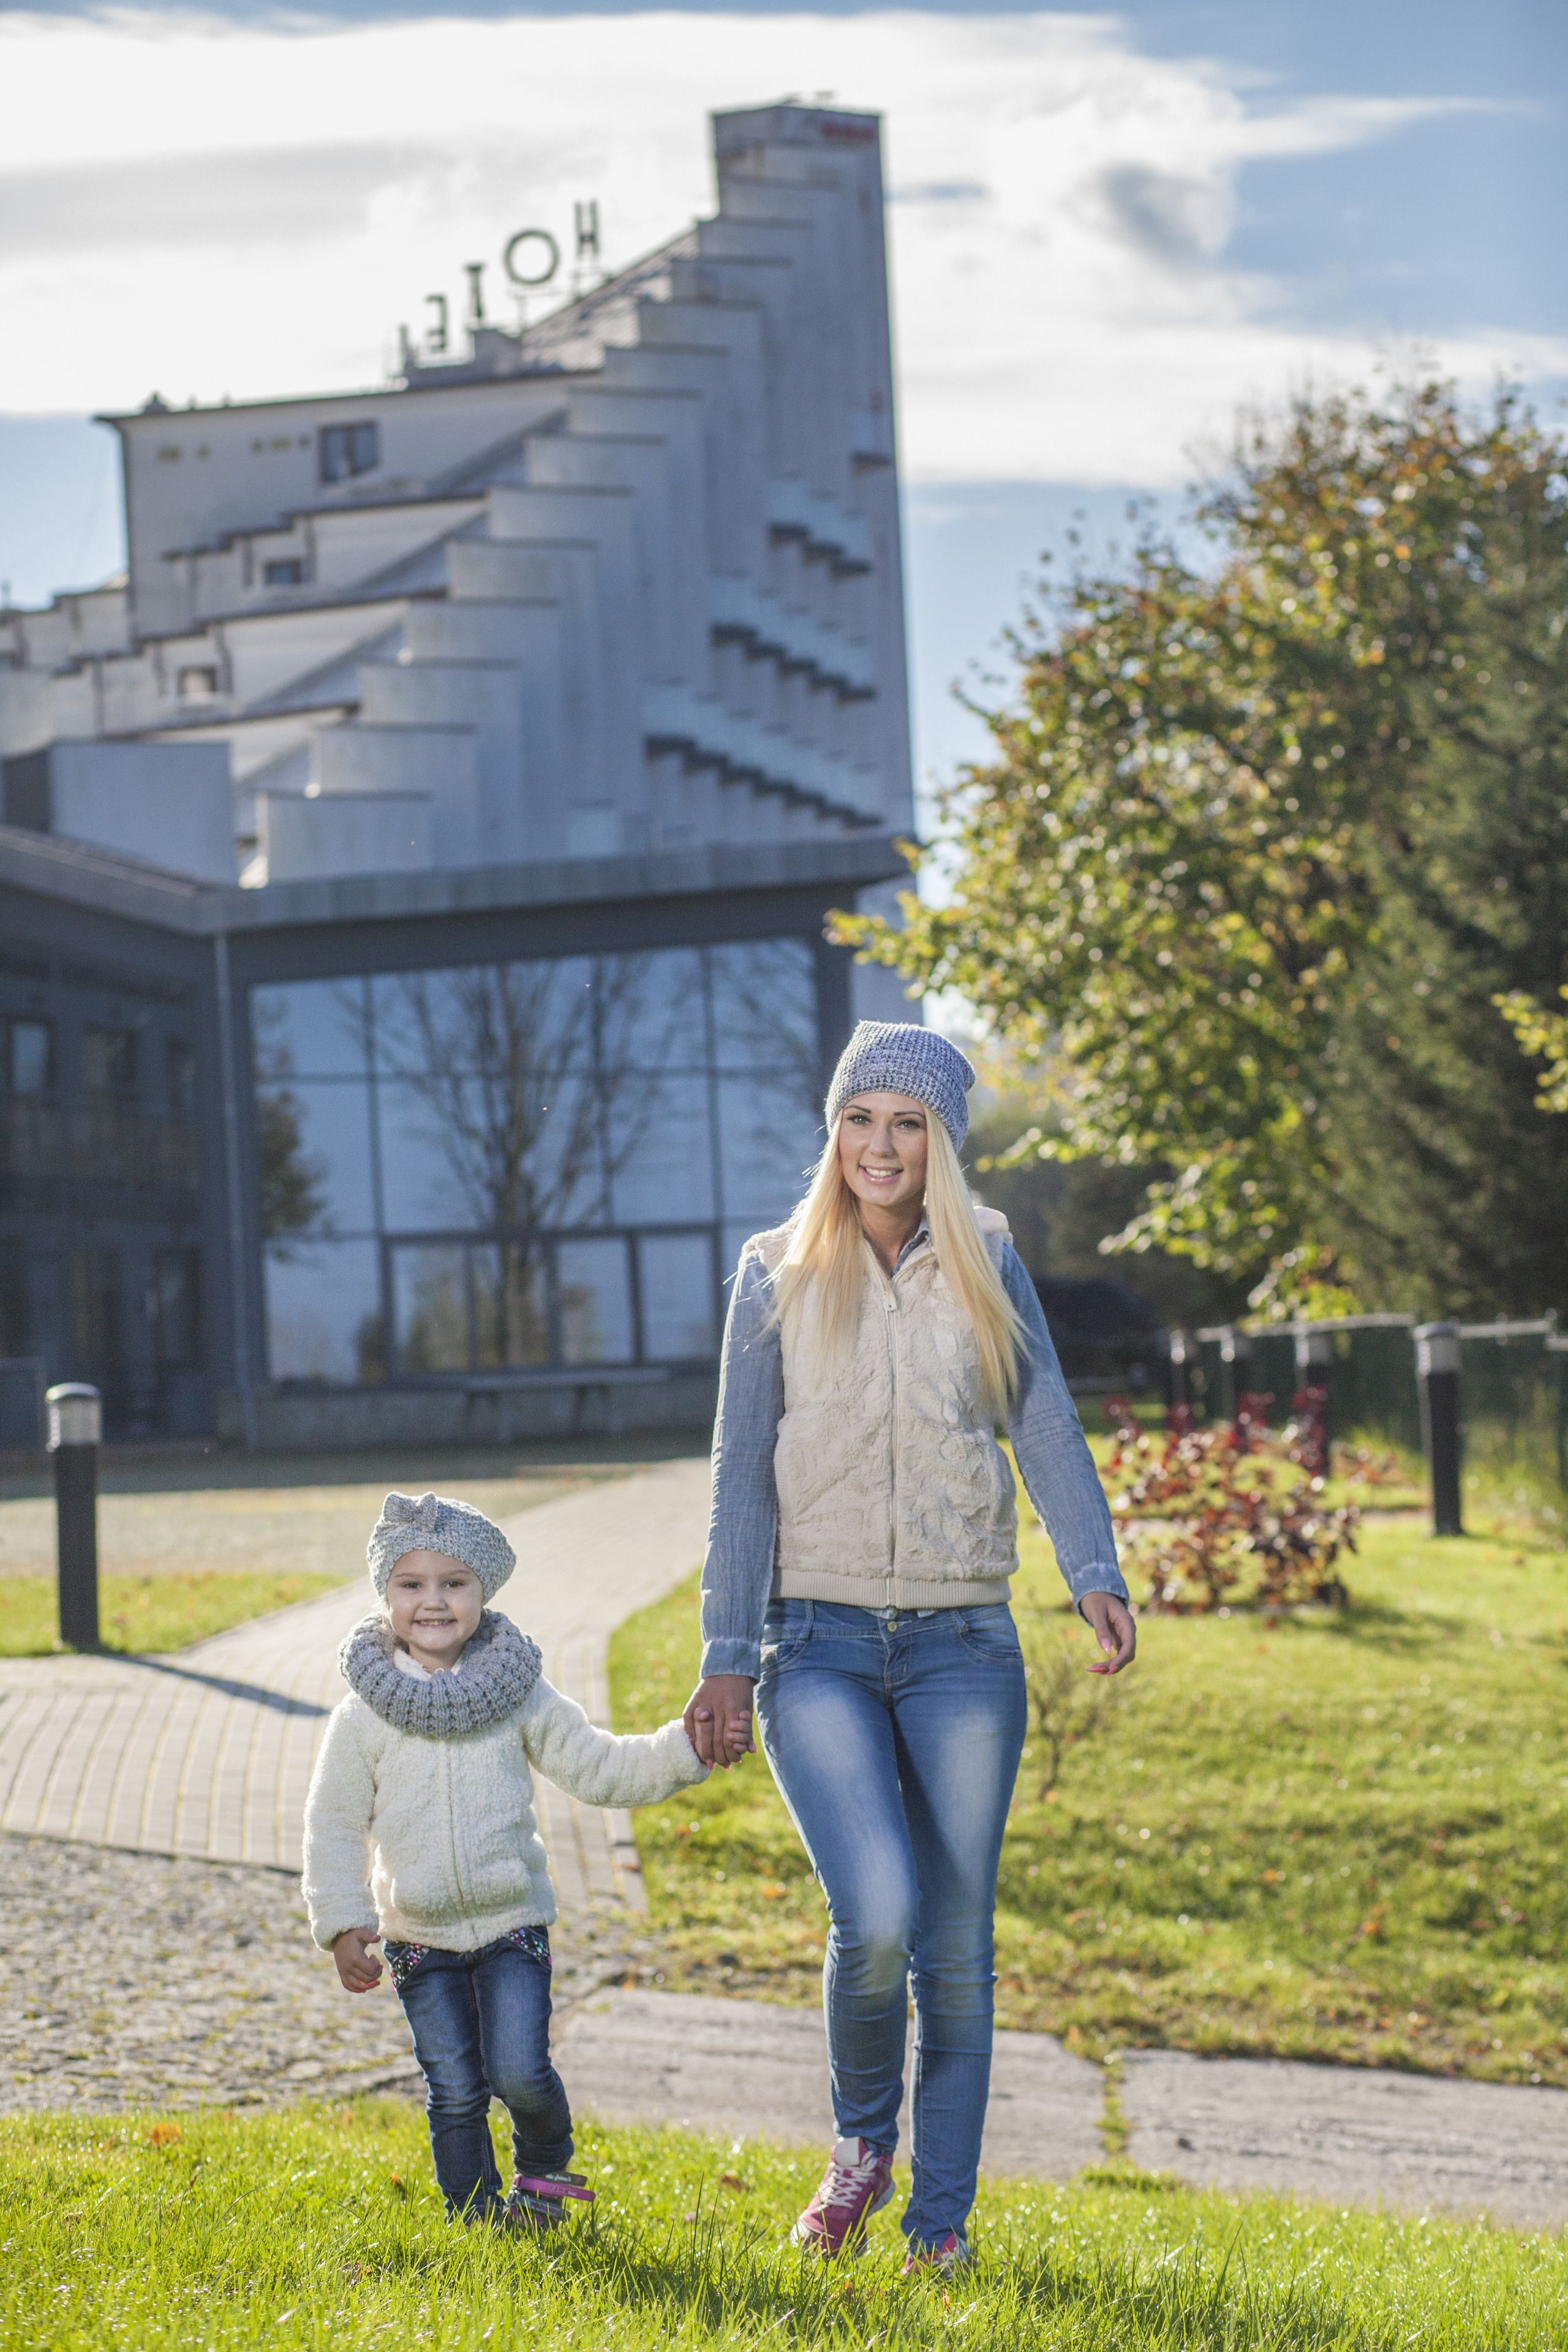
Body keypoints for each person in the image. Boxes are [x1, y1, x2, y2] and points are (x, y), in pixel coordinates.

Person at [686, 1020, 1135, 2274]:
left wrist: (1089, 1570)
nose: (878, 1145)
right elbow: (737, 1480)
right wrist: (728, 1650)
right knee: (874, 1914)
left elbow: (1041, 1421)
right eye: (859, 1118)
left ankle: (938, 2226)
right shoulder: (773, 1270)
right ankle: (857, 2150)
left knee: (958, 1945)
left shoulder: (987, 1257)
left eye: (906, 1124)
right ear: (833, 1130)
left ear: (937, 1142)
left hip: (961, 1643)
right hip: (813, 1637)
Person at [303, 1487, 721, 2228]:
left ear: (483, 1591)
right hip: (415, 1937)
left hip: (510, 1926)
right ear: (385, 1594)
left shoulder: (517, 1693)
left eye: (453, 1583)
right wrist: (342, 1922)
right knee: (456, 2087)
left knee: (520, 2071)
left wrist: (687, 1747)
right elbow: (332, 1825)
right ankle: (474, 2219)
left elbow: (600, 1767)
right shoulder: (361, 1717)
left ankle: (546, 2173)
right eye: (411, 1584)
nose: (433, 1603)